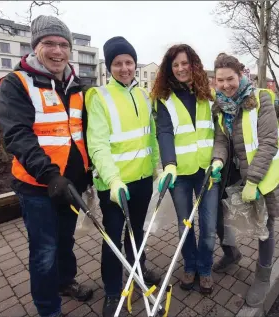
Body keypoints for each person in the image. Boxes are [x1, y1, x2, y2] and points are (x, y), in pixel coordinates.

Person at [0, 15, 93, 317]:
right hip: (38, 187)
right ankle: (48, 310)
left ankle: (66, 283)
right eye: (49, 43)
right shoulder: (17, 83)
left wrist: (89, 171)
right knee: (44, 251)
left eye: (64, 44)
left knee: (65, 240)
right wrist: (51, 175)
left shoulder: (76, 85)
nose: (58, 51)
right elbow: (17, 135)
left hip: (72, 184)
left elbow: (83, 133)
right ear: (35, 46)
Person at [85, 36, 161, 317]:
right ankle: (112, 291)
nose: (125, 68)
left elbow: (150, 135)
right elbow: (98, 145)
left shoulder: (143, 94)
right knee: (113, 237)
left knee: (137, 231)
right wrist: (114, 180)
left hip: (141, 181)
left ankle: (138, 270)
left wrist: (158, 166)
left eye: (129, 62)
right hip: (114, 185)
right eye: (118, 63)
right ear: (109, 67)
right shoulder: (99, 97)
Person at [210, 53, 279, 307]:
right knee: (222, 219)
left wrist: (253, 180)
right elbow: (221, 140)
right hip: (234, 174)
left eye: (230, 78)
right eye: (220, 80)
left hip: (262, 176)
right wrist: (218, 160)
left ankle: (263, 277)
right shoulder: (220, 105)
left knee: (264, 228)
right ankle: (232, 255)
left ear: (241, 74)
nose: (225, 85)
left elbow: (268, 142)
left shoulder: (261, 99)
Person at [151, 44, 219, 294]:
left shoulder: (208, 95)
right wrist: (168, 165)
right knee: (185, 225)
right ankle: (190, 265)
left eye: (184, 63)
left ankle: (205, 267)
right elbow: (164, 132)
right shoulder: (163, 99)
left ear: (194, 65)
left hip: (208, 171)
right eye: (175, 64)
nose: (180, 68)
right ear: (170, 68)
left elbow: (219, 131)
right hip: (178, 173)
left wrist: (218, 159)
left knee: (209, 226)